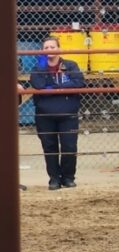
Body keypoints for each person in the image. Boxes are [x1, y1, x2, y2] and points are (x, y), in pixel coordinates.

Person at [29, 36, 85, 190]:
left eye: (52, 47)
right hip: (45, 114)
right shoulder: (37, 68)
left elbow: (79, 83)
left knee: (69, 147)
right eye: (46, 48)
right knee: (49, 146)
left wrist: (52, 87)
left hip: (68, 113)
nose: (49, 50)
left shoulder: (70, 65)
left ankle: (68, 177)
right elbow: (38, 85)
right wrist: (44, 72)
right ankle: (54, 178)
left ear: (59, 49)